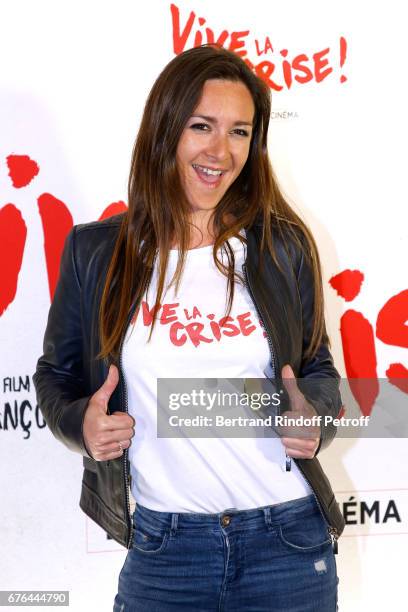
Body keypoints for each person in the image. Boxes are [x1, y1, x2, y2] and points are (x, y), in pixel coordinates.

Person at [33, 44, 344, 611]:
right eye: (202, 126)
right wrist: (82, 424)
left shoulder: (282, 246)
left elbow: (317, 368)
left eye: (240, 132)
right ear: (166, 130)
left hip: (288, 543)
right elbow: (55, 375)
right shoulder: (97, 252)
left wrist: (314, 418)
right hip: (164, 550)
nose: (220, 151)